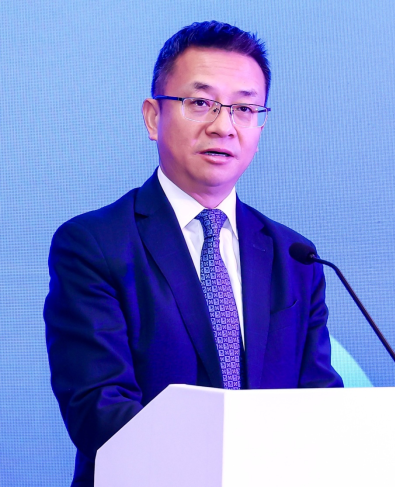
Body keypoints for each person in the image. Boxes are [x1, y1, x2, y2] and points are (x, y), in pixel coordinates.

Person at [44, 21, 343, 487]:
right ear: (153, 117)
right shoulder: (93, 245)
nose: (223, 126)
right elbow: (99, 411)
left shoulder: (294, 258)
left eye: (244, 108)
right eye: (201, 103)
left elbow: (320, 406)